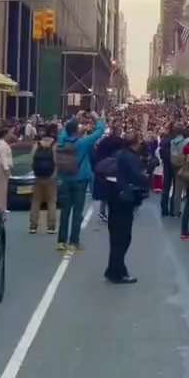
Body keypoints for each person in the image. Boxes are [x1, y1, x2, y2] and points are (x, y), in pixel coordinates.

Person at [55, 113, 106, 254]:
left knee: (65, 211)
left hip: (65, 179)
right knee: (77, 212)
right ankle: (73, 242)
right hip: (80, 180)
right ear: (77, 131)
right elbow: (100, 131)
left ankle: (61, 241)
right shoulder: (82, 143)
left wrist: (75, 118)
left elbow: (65, 131)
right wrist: (97, 118)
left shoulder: (61, 142)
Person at [105, 129, 150, 284]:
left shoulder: (118, 154)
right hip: (124, 199)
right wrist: (146, 178)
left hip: (114, 197)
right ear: (135, 144)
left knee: (116, 236)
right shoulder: (131, 158)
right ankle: (117, 272)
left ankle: (114, 269)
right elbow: (138, 177)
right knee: (123, 237)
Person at [94, 120, 126, 223]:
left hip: (103, 168)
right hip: (115, 169)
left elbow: (97, 152)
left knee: (105, 191)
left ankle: (102, 212)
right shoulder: (121, 142)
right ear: (118, 131)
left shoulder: (104, 141)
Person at [29, 124, 58, 235]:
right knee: (51, 201)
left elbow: (31, 160)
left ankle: (33, 226)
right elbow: (56, 162)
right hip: (50, 177)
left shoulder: (37, 145)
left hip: (38, 176)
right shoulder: (54, 146)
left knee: (36, 201)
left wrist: (35, 172)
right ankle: (51, 227)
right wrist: (54, 174)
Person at [159, 123, 174, 217]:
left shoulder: (164, 140)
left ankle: (164, 208)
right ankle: (173, 209)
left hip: (166, 165)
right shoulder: (176, 140)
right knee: (176, 188)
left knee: (166, 187)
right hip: (175, 165)